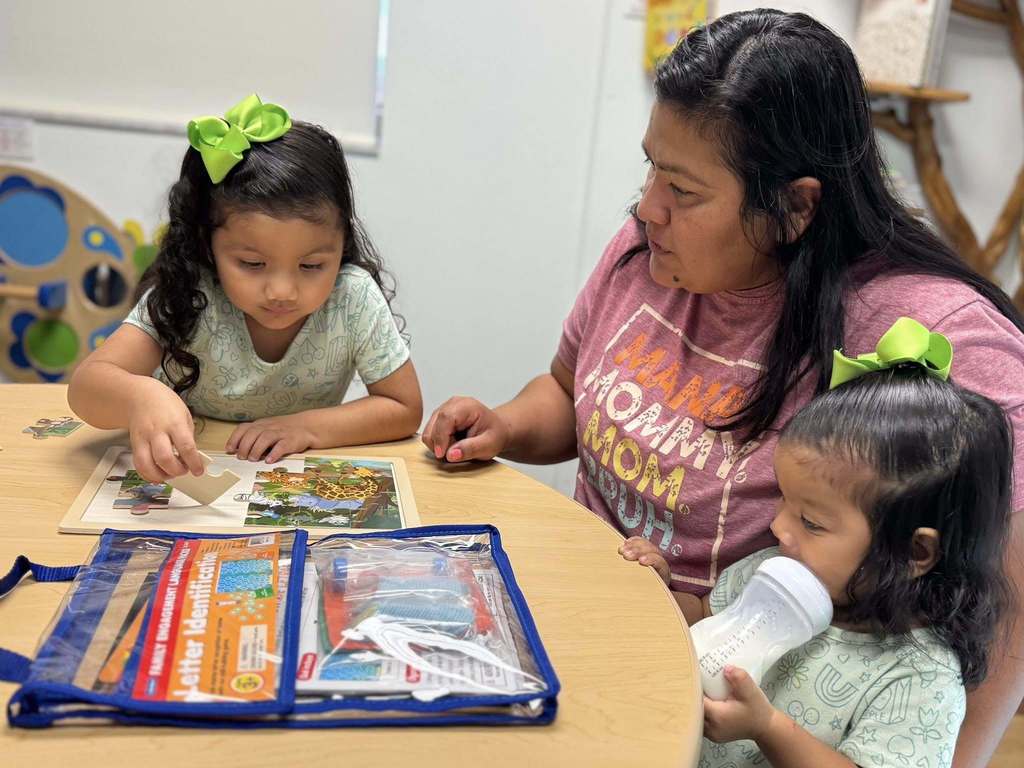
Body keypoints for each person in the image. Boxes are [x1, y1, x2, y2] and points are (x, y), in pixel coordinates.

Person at [420, 10, 1024, 763]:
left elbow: (1005, 602)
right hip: (587, 624)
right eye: (650, 168)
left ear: (796, 207)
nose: (647, 207)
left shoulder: (941, 334)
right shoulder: (650, 245)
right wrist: (507, 425)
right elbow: (566, 391)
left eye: (683, 188)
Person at [623, 318, 1013, 767]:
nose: (778, 528)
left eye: (810, 521)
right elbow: (705, 619)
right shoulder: (772, 571)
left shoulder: (920, 677)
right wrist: (660, 590)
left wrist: (767, 728)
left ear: (914, 553)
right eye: (783, 500)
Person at [69, 94, 422, 481]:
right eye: (253, 264)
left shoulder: (352, 298)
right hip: (190, 475)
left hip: (286, 477)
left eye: (312, 265)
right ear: (207, 245)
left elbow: (402, 407)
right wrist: (141, 397)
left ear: (343, 244)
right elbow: (86, 388)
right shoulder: (188, 290)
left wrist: (305, 427)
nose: (282, 291)